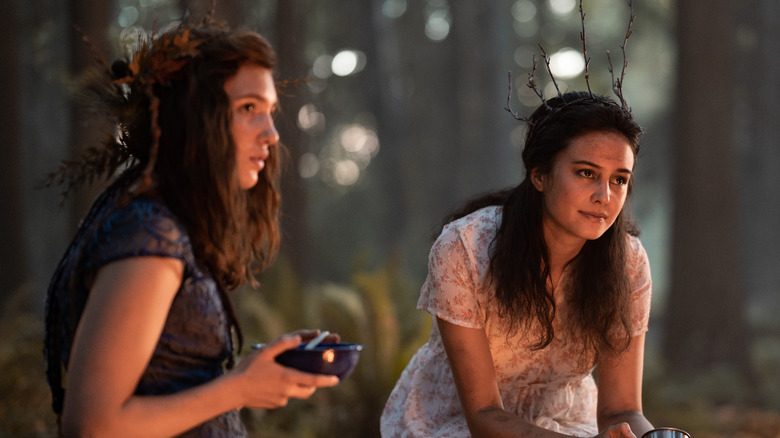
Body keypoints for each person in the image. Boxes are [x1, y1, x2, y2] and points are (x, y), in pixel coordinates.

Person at [43, 21, 339, 437]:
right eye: (249, 108)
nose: (271, 135)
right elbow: (93, 426)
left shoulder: (153, 217)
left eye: (270, 111)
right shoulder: (148, 238)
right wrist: (240, 387)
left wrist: (259, 371)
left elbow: (168, 377)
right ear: (198, 118)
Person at [381, 91, 655, 438]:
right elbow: (482, 414)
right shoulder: (466, 248)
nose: (605, 195)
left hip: (568, 423)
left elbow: (623, 410)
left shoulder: (628, 262)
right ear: (539, 175)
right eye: (586, 173)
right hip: (459, 423)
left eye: (619, 179)